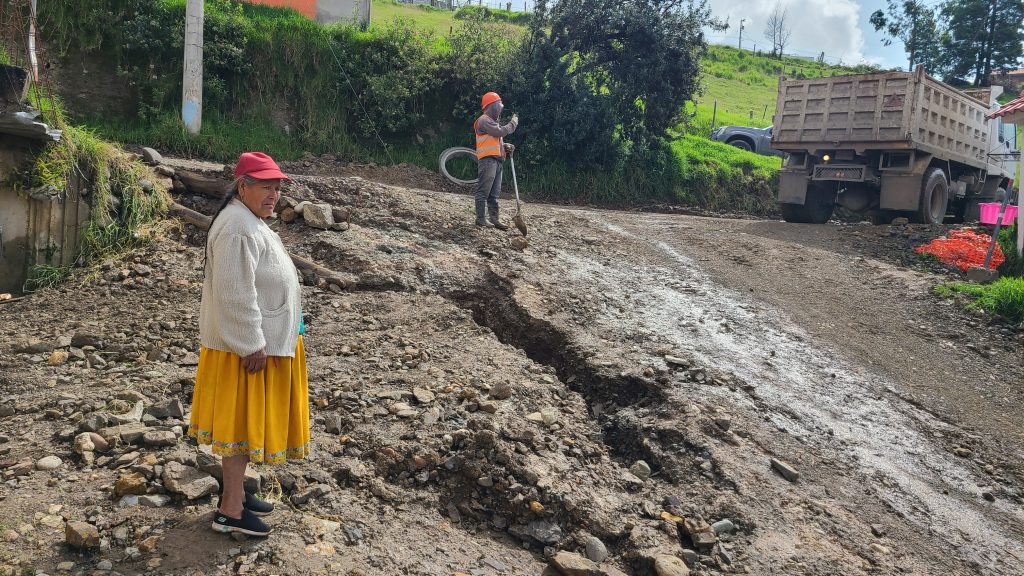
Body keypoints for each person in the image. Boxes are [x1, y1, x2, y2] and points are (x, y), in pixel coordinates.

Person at [188, 152, 310, 537]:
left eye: (277, 187)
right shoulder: (238, 227)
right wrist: (251, 343)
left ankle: (235, 492)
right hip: (247, 349)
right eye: (265, 186)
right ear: (243, 186)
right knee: (239, 427)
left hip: (256, 344)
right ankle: (231, 511)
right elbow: (234, 292)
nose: (274, 194)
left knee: (241, 424)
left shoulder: (249, 220)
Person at [474, 91, 518, 229]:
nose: (500, 108)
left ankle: (494, 219)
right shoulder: (484, 120)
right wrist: (513, 124)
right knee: (484, 192)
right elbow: (499, 132)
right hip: (488, 161)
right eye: (499, 105)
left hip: (497, 161)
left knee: (494, 194)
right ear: (491, 106)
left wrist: (504, 146)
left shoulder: (493, 123)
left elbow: (495, 139)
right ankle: (481, 219)